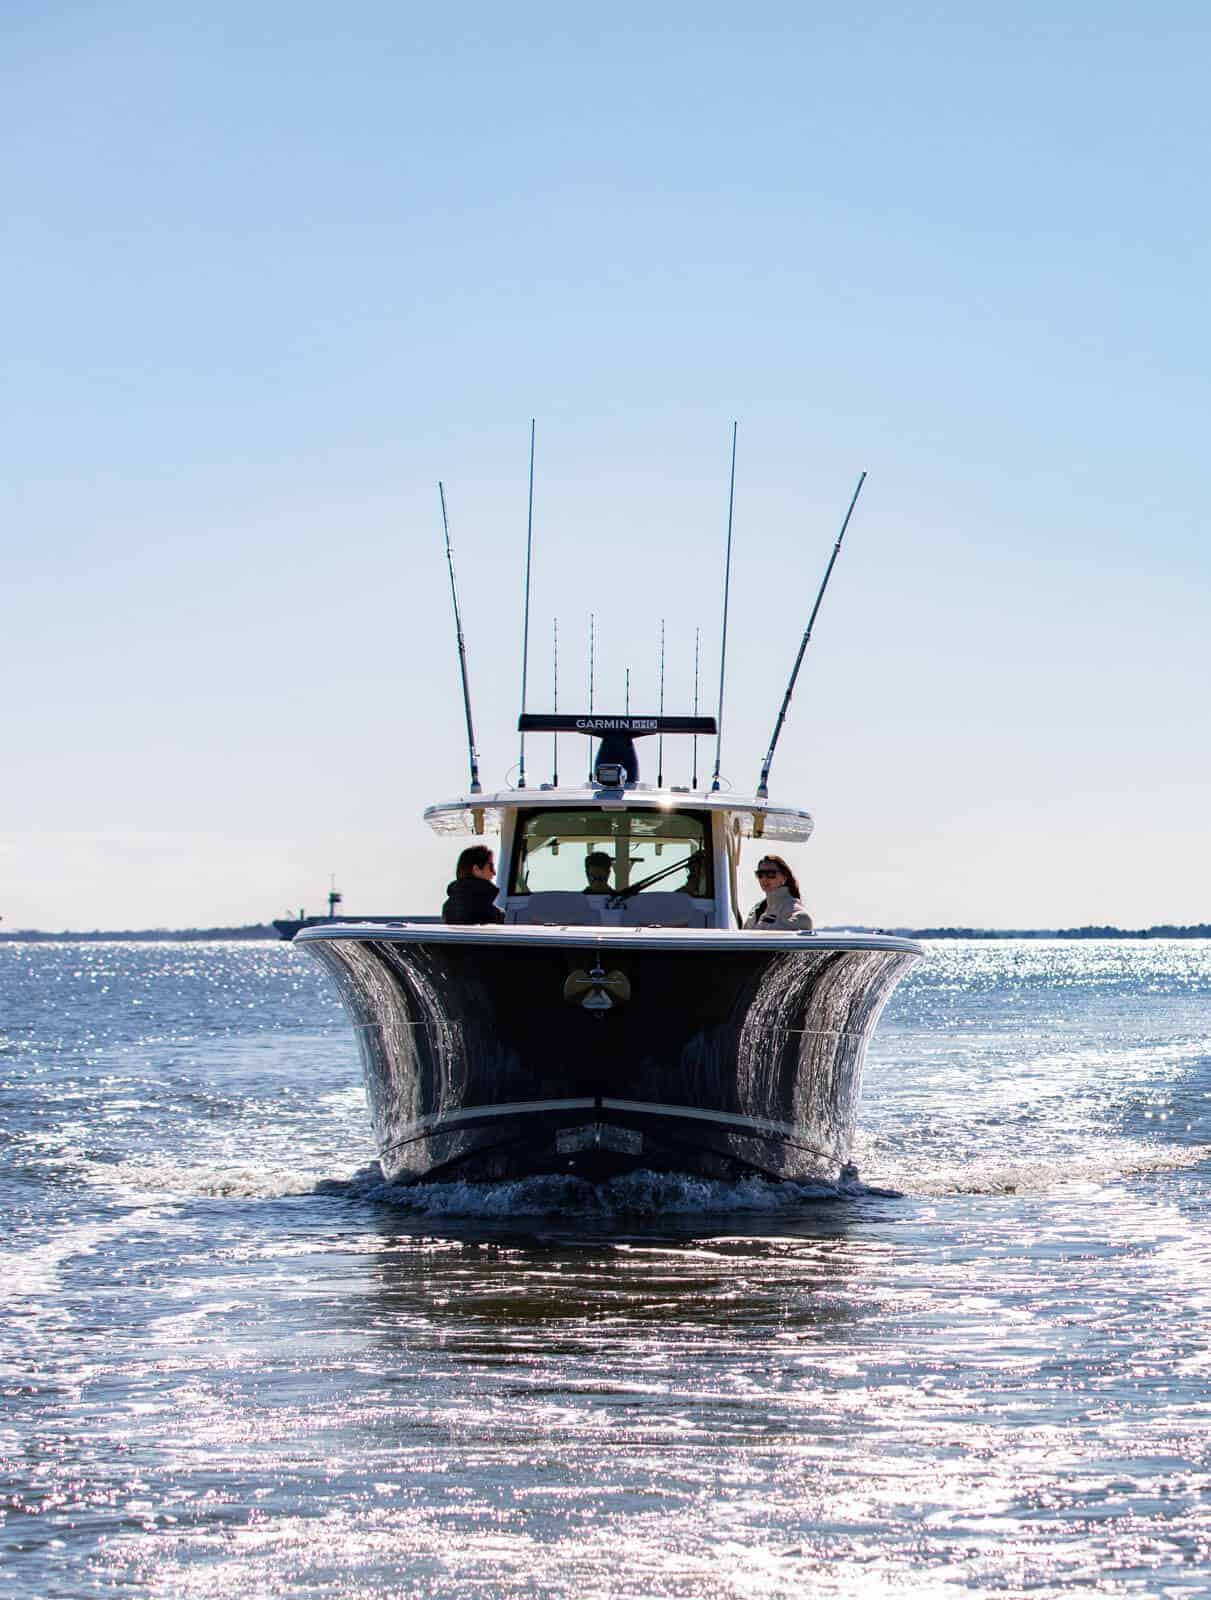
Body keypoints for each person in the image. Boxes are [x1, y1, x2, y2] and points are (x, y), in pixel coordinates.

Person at [743, 855, 813, 930]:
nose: (764, 878)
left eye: (771, 874)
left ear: (784, 878)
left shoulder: (790, 906)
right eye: (760, 874)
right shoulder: (756, 909)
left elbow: (805, 920)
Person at [442, 845, 504, 925]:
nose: (494, 873)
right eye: (491, 867)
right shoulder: (489, 913)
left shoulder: (448, 908)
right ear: (476, 869)